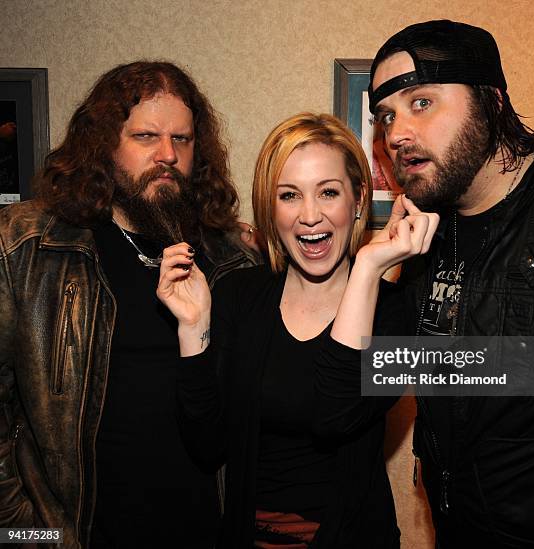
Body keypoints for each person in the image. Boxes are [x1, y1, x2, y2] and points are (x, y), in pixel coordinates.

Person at [367, 19, 534, 548]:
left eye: (421, 103)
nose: (397, 133)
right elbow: (376, 378)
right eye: (385, 116)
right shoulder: (426, 234)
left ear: (491, 101)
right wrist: (376, 272)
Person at [0, 61, 257, 548]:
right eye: (146, 137)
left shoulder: (231, 259)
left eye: (182, 140)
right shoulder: (28, 247)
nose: (167, 155)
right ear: (103, 145)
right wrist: (25, 535)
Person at [157, 112, 437, 548]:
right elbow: (206, 445)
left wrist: (366, 269)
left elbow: (335, 416)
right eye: (289, 195)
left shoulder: (396, 314)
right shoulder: (239, 295)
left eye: (328, 192)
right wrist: (193, 327)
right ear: (271, 207)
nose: (310, 216)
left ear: (358, 199)